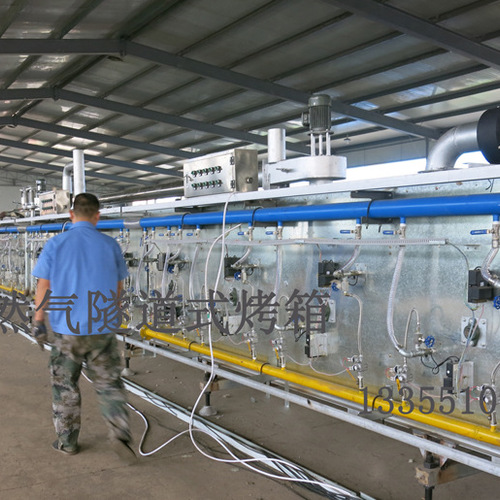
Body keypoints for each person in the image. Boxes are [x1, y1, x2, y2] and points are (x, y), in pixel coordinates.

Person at [31, 193, 135, 462]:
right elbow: (118, 288)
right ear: (97, 216)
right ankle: (120, 434)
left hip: (67, 332)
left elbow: (43, 286)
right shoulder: (110, 245)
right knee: (109, 384)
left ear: (71, 215)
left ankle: (67, 442)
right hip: (102, 331)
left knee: (65, 386)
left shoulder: (56, 244)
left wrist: (39, 321)